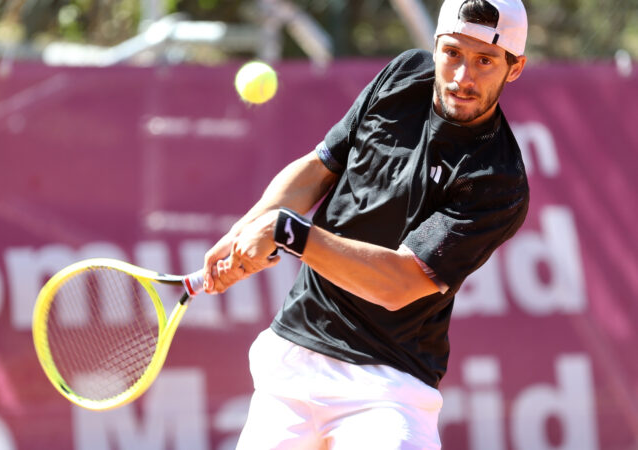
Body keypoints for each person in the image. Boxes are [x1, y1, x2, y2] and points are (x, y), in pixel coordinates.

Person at [203, 0, 529, 447]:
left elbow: (397, 282)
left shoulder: (498, 179)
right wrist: (244, 232)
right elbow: (320, 167)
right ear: (434, 47)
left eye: (485, 61)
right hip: (295, 358)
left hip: (387, 389)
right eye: (452, 53)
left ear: (514, 69)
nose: (461, 78)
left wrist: (286, 232)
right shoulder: (403, 75)